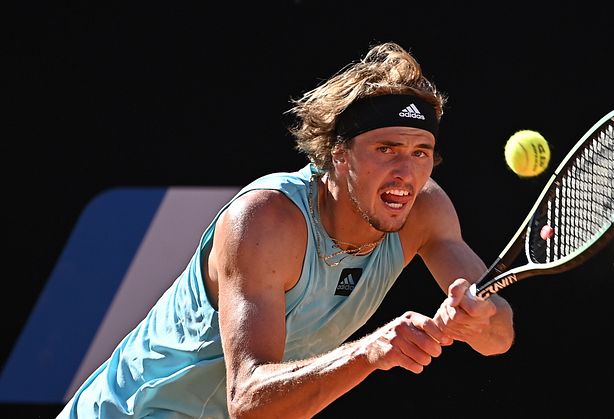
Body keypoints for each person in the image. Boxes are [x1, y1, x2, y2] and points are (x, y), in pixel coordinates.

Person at [58, 41, 514, 419]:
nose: (406, 173)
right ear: (340, 154)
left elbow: (500, 338)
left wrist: (477, 319)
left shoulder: (425, 210)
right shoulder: (266, 219)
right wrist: (371, 351)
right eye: (386, 148)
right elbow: (249, 401)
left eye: (420, 152)